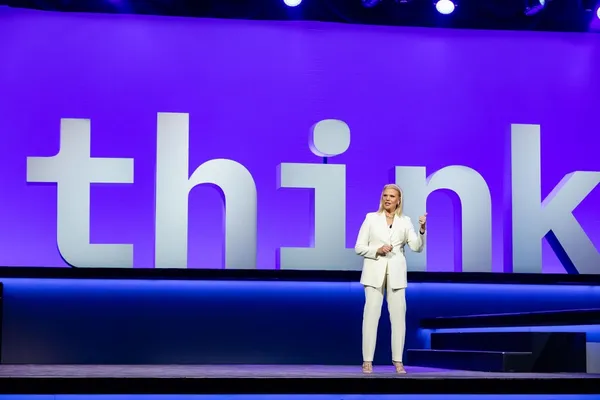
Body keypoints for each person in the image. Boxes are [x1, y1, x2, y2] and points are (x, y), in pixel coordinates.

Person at [354, 183, 427, 374]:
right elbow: (359, 247)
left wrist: (422, 229)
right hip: (374, 272)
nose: (388, 199)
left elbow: (416, 247)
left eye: (392, 196)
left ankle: (398, 361)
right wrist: (377, 250)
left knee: (398, 318)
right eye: (385, 195)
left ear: (398, 200)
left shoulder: (405, 221)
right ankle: (367, 361)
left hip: (396, 273)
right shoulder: (371, 218)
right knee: (371, 316)